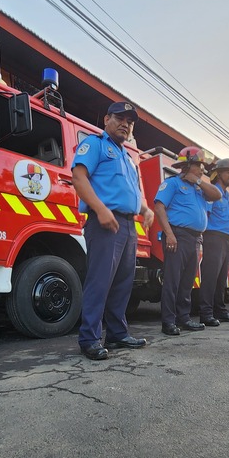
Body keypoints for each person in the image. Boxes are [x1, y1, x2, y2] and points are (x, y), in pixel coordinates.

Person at [71, 102, 155, 360]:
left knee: (123, 282)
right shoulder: (95, 145)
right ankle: (89, 339)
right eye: (120, 118)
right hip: (104, 222)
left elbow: (132, 191)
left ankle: (117, 334)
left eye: (130, 121)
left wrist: (145, 209)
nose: (125, 124)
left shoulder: (128, 158)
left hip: (128, 225)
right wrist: (100, 209)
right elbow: (78, 176)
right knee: (99, 281)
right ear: (107, 118)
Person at [154, 146, 221, 336]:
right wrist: (169, 234)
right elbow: (159, 208)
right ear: (188, 164)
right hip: (177, 235)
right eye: (199, 166)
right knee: (172, 281)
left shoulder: (199, 188)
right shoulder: (173, 184)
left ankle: (183, 318)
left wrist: (199, 181)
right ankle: (168, 322)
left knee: (187, 282)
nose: (203, 170)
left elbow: (217, 195)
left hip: (194, 239)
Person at [198, 158, 229, 326]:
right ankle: (206, 313)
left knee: (221, 278)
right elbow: (205, 215)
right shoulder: (212, 193)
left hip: (224, 240)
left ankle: (220, 311)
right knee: (210, 277)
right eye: (228, 172)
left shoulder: (227, 195)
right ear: (218, 174)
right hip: (213, 237)